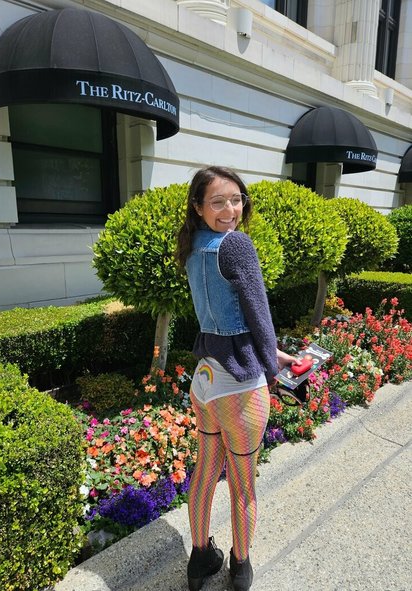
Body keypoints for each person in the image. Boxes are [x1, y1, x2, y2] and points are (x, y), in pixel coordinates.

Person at [175, 166, 298, 591]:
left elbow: (220, 313)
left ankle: (199, 560)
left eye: (236, 199)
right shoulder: (236, 245)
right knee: (243, 485)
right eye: (218, 202)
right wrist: (274, 367)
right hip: (239, 381)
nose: (230, 209)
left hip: (205, 377)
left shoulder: (193, 245)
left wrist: (270, 351)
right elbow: (258, 315)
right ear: (198, 206)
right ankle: (240, 567)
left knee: (205, 470)